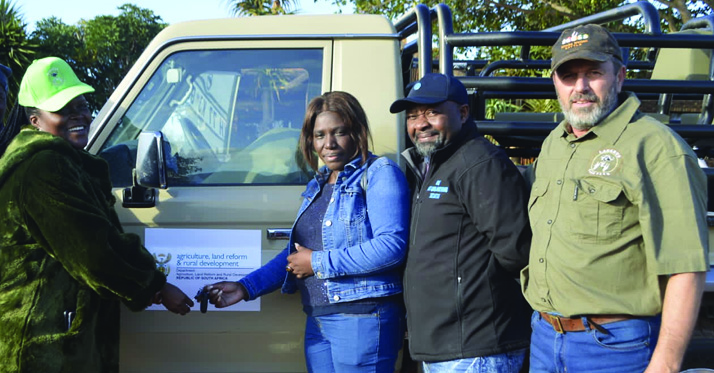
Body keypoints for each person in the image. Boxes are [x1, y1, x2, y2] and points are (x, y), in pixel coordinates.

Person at [522, 24, 709, 373]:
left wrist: (665, 365)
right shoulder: (554, 144)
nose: (580, 87)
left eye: (594, 73)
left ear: (619, 76)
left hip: (615, 349)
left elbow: (686, 267)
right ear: (555, 84)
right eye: (569, 75)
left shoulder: (656, 149)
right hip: (545, 338)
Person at [0, 56, 195, 373]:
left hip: (56, 332)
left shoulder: (63, 162)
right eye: (63, 109)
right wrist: (154, 286)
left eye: (82, 105)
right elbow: (92, 252)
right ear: (35, 120)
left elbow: (101, 237)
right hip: (42, 341)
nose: (78, 116)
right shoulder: (43, 166)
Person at [204, 91, 410, 372]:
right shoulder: (320, 184)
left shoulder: (379, 172)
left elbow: (391, 247)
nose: (329, 144)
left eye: (340, 132)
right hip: (319, 318)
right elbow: (297, 256)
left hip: (362, 318)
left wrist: (317, 262)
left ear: (357, 132)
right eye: (320, 135)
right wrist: (246, 287)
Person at [389, 73, 532, 372]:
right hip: (447, 347)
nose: (420, 124)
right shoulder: (434, 165)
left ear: (463, 113)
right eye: (413, 116)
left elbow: (517, 252)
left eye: (432, 112)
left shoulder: (480, 163)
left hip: (476, 348)